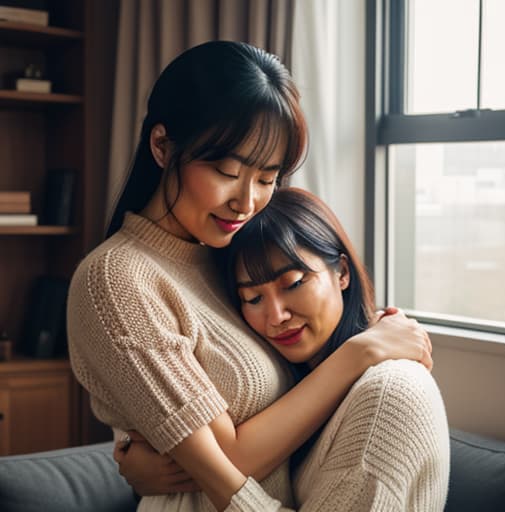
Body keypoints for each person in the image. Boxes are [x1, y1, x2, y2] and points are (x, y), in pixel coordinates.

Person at [67, 40, 436, 512]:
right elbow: (227, 458)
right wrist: (360, 352)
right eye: (226, 171)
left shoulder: (224, 252)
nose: (246, 202)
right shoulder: (116, 280)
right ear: (162, 146)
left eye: (266, 179)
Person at [114, 188, 450, 511]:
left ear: (342, 272)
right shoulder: (291, 382)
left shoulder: (388, 395)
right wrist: (151, 465)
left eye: (293, 284)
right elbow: (218, 452)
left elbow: (221, 467)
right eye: (253, 298)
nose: (276, 317)